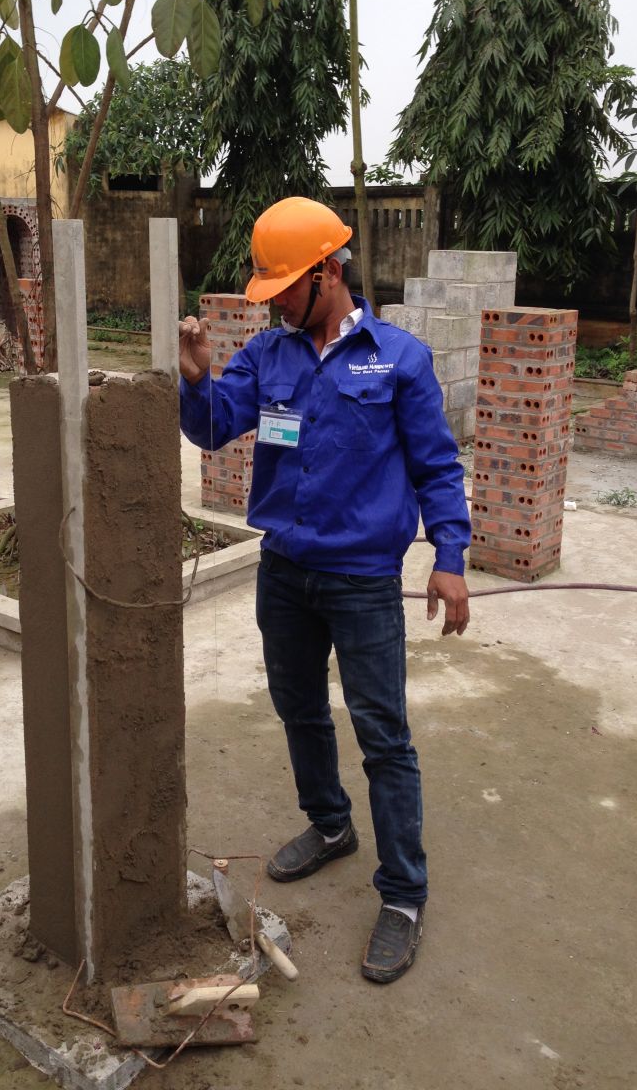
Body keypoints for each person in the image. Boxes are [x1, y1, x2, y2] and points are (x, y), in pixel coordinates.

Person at [179, 197, 471, 982]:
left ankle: (404, 894)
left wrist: (451, 555)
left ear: (329, 272)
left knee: (383, 735)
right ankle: (331, 826)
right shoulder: (269, 357)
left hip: (364, 582)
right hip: (285, 572)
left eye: (284, 289)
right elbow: (212, 426)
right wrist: (197, 375)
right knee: (300, 709)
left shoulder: (399, 359)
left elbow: (438, 467)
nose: (273, 305)